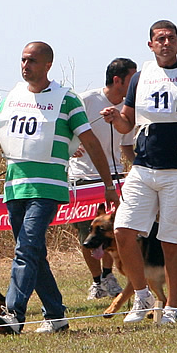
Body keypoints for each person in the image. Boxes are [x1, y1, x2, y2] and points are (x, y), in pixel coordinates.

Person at [0, 41, 119, 335]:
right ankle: (56, 315)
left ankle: (13, 314)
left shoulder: (66, 100)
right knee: (32, 253)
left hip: (47, 188)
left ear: (47, 65)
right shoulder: (13, 98)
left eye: (31, 60)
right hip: (15, 187)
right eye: (22, 60)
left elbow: (91, 142)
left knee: (26, 247)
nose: (25, 65)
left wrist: (108, 184)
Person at [101, 20, 177, 324]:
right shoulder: (141, 76)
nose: (166, 43)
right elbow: (128, 124)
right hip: (143, 167)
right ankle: (141, 298)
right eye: (160, 38)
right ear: (150, 44)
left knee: (172, 241)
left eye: (171, 38)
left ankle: (171, 309)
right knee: (123, 231)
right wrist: (116, 118)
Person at [69, 58, 137, 300]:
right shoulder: (86, 100)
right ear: (117, 80)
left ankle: (109, 274)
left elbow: (127, 144)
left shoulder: (131, 108)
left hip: (117, 177)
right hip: (84, 177)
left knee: (115, 229)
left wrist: (141, 164)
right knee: (87, 232)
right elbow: (62, 128)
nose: (136, 83)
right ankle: (96, 281)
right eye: (132, 79)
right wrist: (70, 146)